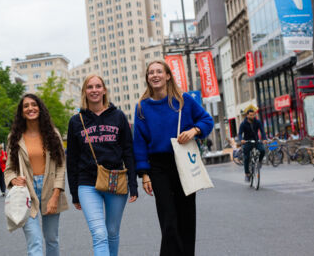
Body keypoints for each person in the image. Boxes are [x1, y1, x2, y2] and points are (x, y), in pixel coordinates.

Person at [133, 61, 214, 256]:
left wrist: (194, 130)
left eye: (159, 71)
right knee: (168, 221)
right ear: (147, 78)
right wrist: (144, 174)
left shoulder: (183, 100)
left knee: (186, 218)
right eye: (151, 72)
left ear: (168, 75)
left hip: (184, 162)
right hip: (158, 166)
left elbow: (207, 120)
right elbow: (139, 141)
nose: (155, 75)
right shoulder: (142, 107)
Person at [67, 75, 138, 256]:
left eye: (98, 86)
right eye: (90, 87)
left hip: (115, 180)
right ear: (85, 91)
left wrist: (133, 184)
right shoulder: (76, 121)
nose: (94, 90)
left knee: (112, 232)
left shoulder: (119, 116)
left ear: (104, 90)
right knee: (99, 233)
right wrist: (74, 193)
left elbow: (128, 151)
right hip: (87, 184)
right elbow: (72, 159)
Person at [5, 93, 68, 256]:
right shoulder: (14, 138)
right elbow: (9, 169)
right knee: (35, 241)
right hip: (27, 192)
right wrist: (13, 179)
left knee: (52, 239)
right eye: (26, 106)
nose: (30, 108)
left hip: (50, 189)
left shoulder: (53, 134)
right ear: (21, 112)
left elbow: (61, 167)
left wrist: (55, 195)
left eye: (34, 104)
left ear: (40, 108)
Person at [238, 109, 267, 182]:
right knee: (246, 157)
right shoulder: (243, 123)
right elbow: (240, 133)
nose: (252, 116)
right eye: (250, 115)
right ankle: (247, 174)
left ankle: (259, 162)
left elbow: (262, 130)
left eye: (253, 115)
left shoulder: (257, 122)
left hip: (256, 140)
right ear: (247, 115)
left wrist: (264, 138)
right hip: (247, 141)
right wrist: (241, 139)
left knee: (262, 150)